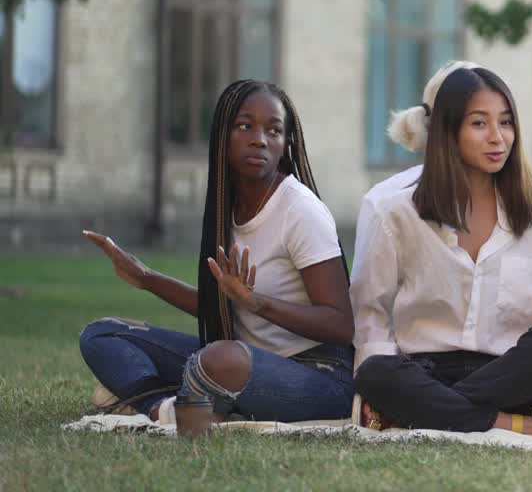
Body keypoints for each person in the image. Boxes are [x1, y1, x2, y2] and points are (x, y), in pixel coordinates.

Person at [79, 80, 355, 422]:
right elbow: (218, 306)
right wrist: (145, 278)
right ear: (222, 137)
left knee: (218, 359)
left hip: (319, 378)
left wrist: (257, 303)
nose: (260, 139)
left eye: (274, 130)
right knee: (101, 334)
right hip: (243, 361)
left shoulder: (300, 210)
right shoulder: (229, 206)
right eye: (245, 126)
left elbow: (342, 325)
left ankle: (168, 397)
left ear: (285, 145)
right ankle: (162, 408)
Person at [350, 63, 532, 435]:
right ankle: (526, 427)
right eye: (479, 123)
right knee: (375, 370)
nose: (497, 138)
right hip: (424, 370)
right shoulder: (396, 212)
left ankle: (417, 413)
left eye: (506, 122)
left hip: (510, 374)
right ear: (448, 132)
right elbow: (370, 316)